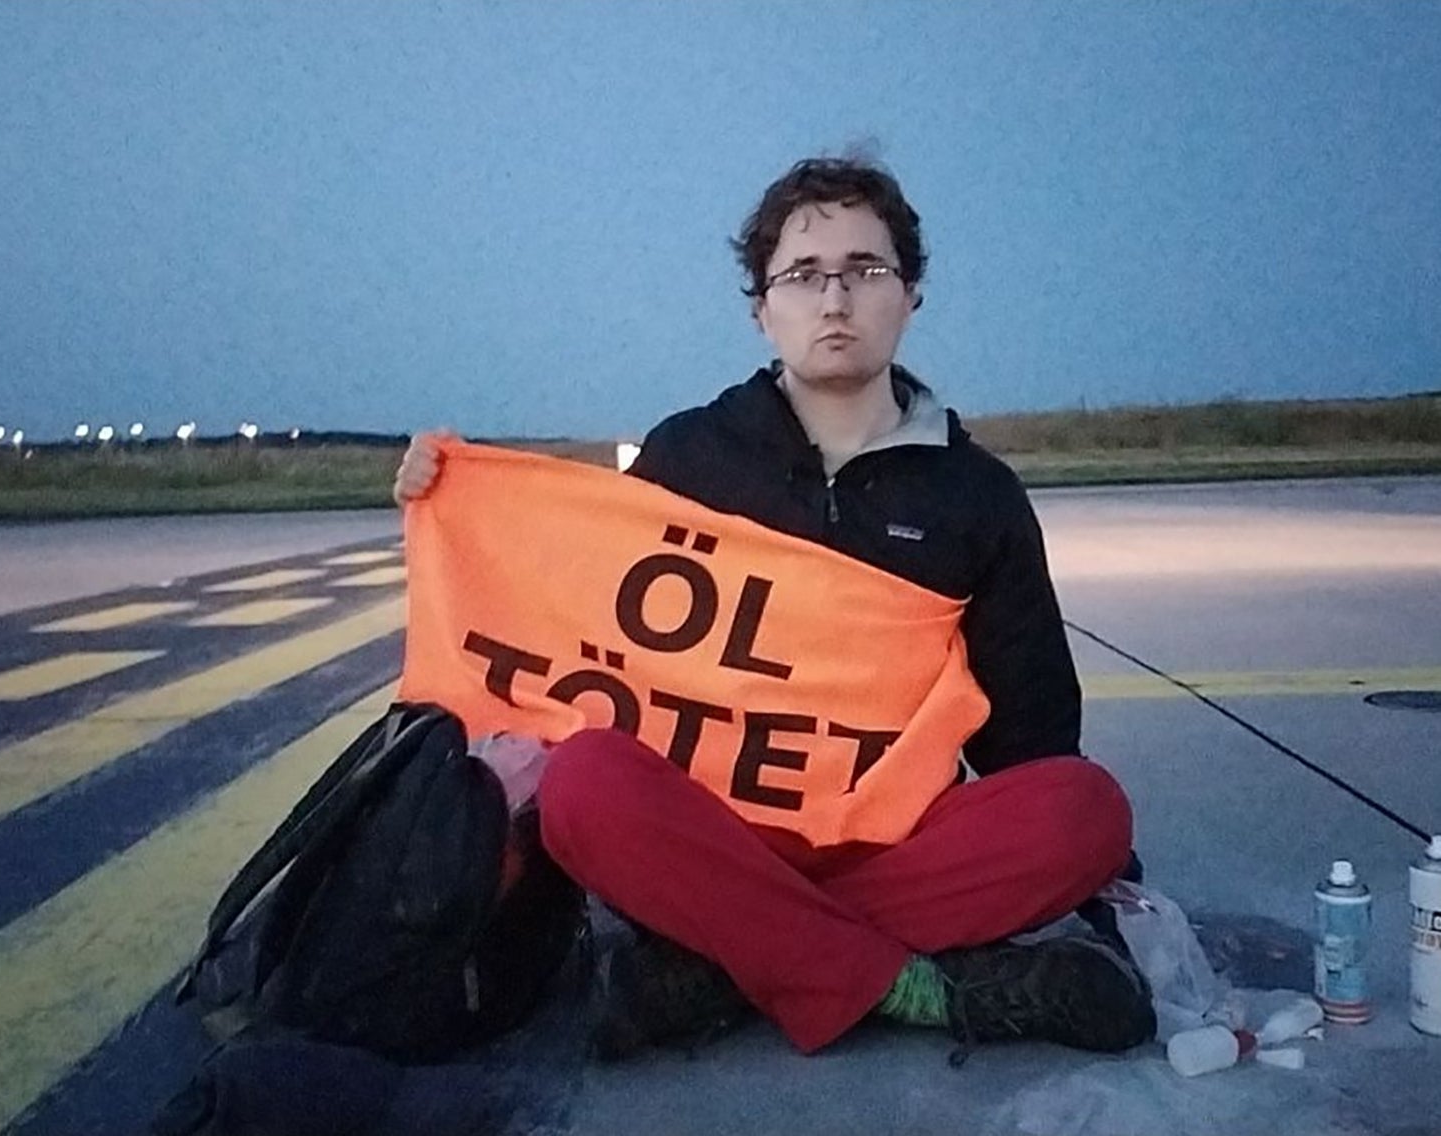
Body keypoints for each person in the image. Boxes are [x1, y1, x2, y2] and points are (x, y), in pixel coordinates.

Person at [393, 157, 1155, 1059]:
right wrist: (454, 500)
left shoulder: (975, 494)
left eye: (864, 270)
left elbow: (1032, 734)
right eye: (802, 275)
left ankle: (726, 963)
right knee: (584, 787)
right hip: (709, 830)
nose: (834, 299)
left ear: (911, 294)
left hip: (889, 840)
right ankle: (921, 991)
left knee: (1086, 810)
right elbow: (579, 616)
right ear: (762, 306)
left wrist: (1086, 871)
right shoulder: (691, 455)